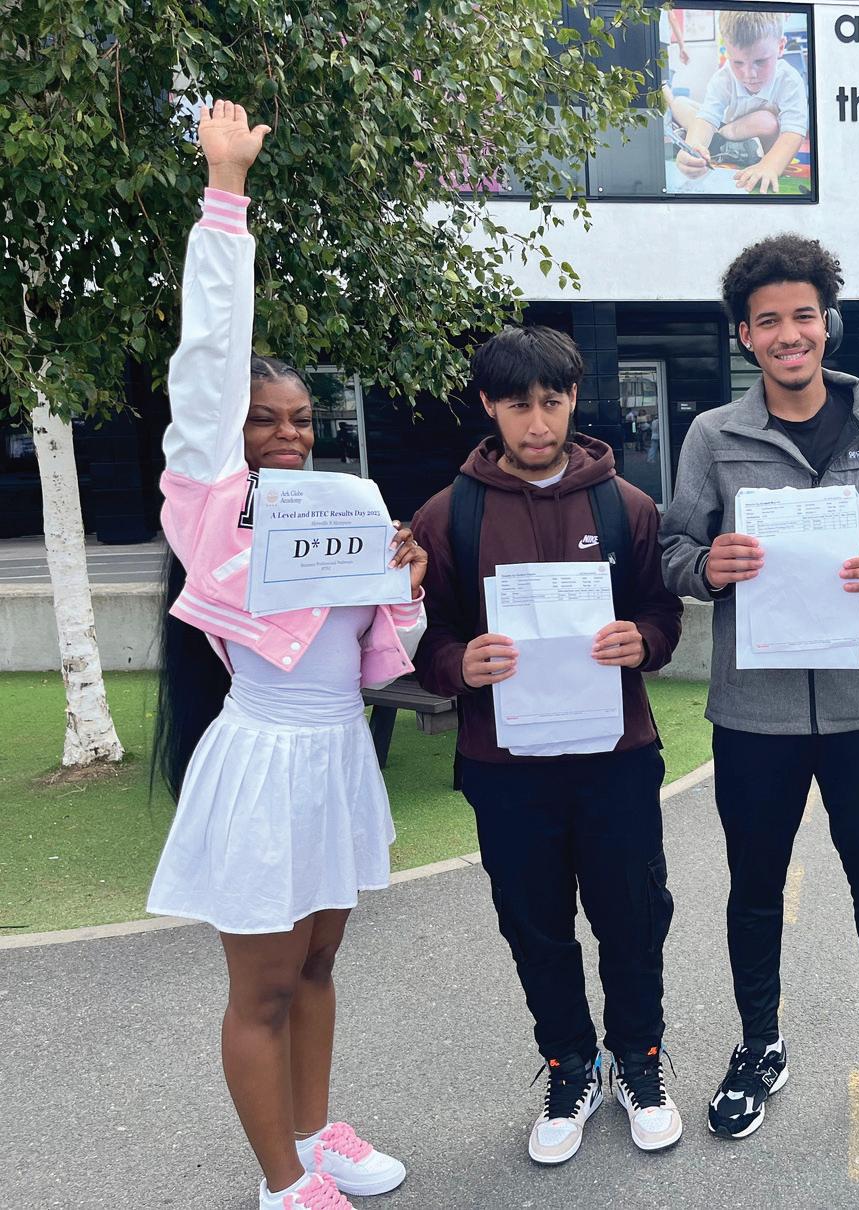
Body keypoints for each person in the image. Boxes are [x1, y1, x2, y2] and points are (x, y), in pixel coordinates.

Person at [147, 101, 428, 1210]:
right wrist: (227, 194)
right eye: (264, 419)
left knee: (317, 965)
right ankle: (281, 1184)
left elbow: (376, 663)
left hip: (337, 760)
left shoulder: (341, 511)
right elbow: (209, 359)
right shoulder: (211, 509)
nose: (286, 434)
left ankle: (314, 1138)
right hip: (263, 766)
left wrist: (401, 580)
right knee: (260, 990)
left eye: (301, 418)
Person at [660, 234, 859, 1142]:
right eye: (767, 322)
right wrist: (706, 566)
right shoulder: (713, 435)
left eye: (802, 316)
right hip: (755, 715)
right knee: (753, 887)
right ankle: (759, 1045)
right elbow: (672, 550)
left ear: (827, 323)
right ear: (744, 336)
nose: (788, 334)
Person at [409, 326, 684, 1165]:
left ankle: (637, 1060)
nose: (537, 422)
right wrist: (459, 662)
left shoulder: (626, 507)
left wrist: (644, 640)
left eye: (552, 402)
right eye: (518, 404)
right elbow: (425, 636)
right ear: (488, 406)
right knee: (534, 925)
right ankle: (570, 1066)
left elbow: (661, 612)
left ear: (572, 401)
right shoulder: (447, 515)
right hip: (506, 768)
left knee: (632, 917)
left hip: (615, 757)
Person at [667, 9, 809, 194]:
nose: (749, 74)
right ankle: (716, 142)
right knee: (679, 103)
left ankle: (717, 141)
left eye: (760, 62)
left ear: (780, 47)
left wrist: (770, 166)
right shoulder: (723, 78)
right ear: (727, 51)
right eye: (738, 63)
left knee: (767, 120)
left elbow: (794, 131)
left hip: (756, 139)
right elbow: (707, 117)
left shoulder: (789, 80)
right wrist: (693, 149)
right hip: (725, 127)